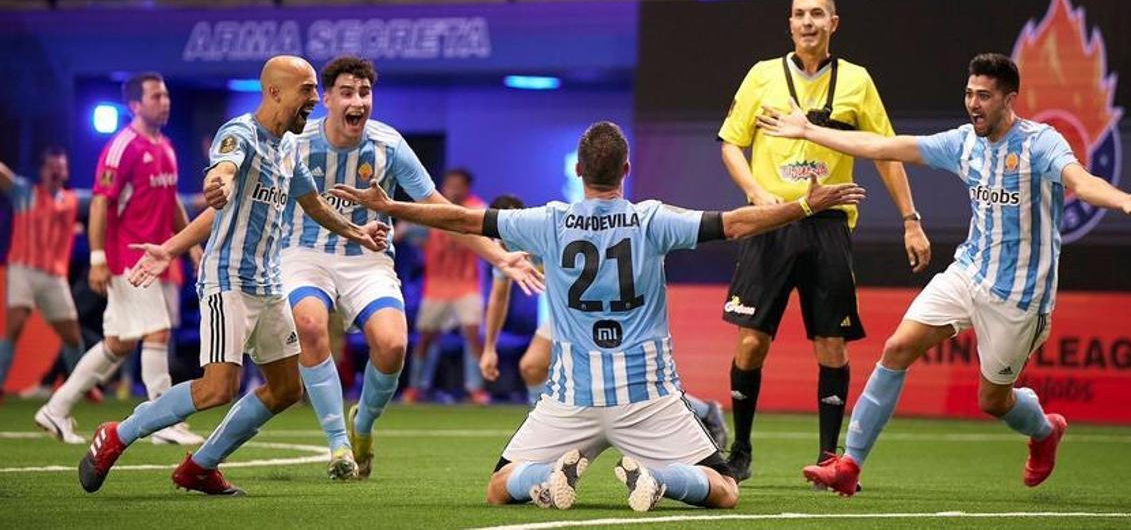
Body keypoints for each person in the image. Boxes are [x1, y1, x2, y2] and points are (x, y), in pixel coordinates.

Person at [331, 121, 866, 512]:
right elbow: (736, 223)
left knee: (500, 486)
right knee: (724, 491)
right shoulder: (652, 219)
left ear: (580, 170)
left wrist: (392, 207)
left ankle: (544, 477)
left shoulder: (549, 221)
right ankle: (662, 480)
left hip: (571, 398)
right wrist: (803, 206)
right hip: (648, 397)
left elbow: (462, 220)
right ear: (626, 171)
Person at [756, 52, 1131, 494]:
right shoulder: (963, 143)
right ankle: (849, 465)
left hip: (1019, 294)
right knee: (897, 347)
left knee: (992, 400)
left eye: (985, 96)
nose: (974, 104)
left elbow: (1080, 180)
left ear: (1009, 99)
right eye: (970, 93)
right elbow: (884, 146)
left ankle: (1045, 431)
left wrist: (1123, 199)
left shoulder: (1040, 144)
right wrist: (808, 130)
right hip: (967, 272)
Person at [76, 56, 389, 497]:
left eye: (316, 90)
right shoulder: (238, 134)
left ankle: (200, 467)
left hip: (269, 284)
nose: (315, 100)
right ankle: (118, 434)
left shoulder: (286, 149)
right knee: (216, 388)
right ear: (275, 92)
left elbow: (314, 205)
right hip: (228, 282)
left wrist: (359, 231)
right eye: (307, 90)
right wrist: (218, 182)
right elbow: (225, 169)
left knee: (284, 389)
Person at [282, 56, 542, 479]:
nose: (358, 101)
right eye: (347, 92)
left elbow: (439, 209)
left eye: (364, 93)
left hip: (367, 258)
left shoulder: (388, 145)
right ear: (326, 99)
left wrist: (497, 255)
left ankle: (362, 426)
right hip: (303, 255)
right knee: (309, 325)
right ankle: (337, 445)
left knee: (393, 346)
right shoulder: (295, 143)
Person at [717, 0, 931, 484]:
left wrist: (911, 219)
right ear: (789, 24)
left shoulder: (856, 81)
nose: (808, 22)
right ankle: (741, 450)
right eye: (799, 14)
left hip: (829, 227)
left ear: (834, 23)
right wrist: (754, 191)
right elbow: (730, 143)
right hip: (772, 224)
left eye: (817, 14)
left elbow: (886, 152)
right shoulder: (761, 75)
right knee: (750, 344)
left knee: (832, 344)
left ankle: (830, 457)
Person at [479, 194, 729, 448]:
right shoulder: (505, 253)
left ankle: (703, 412)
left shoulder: (548, 230)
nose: (503, 240)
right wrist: (489, 348)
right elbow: (499, 298)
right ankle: (550, 431)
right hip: (570, 314)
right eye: (499, 235)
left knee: (634, 381)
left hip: (608, 308)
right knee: (532, 366)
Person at [36, 73, 202, 448]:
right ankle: (161, 419)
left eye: (166, 94)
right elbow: (98, 202)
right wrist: (96, 259)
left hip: (147, 257)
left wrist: (188, 244)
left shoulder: (167, 146)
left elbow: (171, 200)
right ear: (135, 105)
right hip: (125, 258)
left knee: (119, 342)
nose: (166, 101)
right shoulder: (121, 146)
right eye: (156, 96)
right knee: (157, 331)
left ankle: (55, 408)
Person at [0, 148, 87, 400]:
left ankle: (81, 385)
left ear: (66, 171)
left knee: (72, 335)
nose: (56, 170)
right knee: (14, 326)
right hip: (23, 270)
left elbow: (103, 199)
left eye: (60, 166)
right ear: (43, 170)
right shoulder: (23, 192)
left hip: (54, 276)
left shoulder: (72, 200)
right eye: (51, 166)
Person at [404, 168, 492, 404]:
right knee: (425, 338)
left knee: (474, 336)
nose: (453, 189)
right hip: (436, 287)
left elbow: (489, 239)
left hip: (468, 285)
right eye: (449, 184)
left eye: (458, 185)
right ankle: (416, 387)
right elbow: (406, 232)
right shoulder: (433, 208)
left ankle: (476, 389)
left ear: (467, 187)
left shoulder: (477, 209)